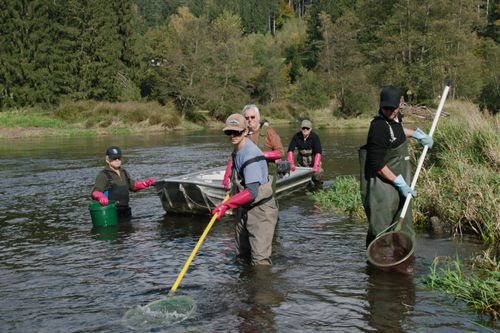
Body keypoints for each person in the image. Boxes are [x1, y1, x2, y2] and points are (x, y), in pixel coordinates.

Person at [359, 85, 434, 249]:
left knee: (403, 227)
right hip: (382, 186)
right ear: (381, 105)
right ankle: (377, 269)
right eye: (385, 108)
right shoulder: (378, 127)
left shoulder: (396, 117)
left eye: (392, 108)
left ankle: (404, 263)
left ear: (400, 104)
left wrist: (416, 134)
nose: (389, 111)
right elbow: (377, 165)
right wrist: (399, 183)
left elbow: (397, 131)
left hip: (399, 184)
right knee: (381, 230)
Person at [213, 114, 279, 266]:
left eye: (236, 132)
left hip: (260, 210)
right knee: (242, 255)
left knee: (259, 260)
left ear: (245, 132)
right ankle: (244, 288)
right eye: (229, 132)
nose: (232, 136)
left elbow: (251, 192)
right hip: (244, 208)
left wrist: (226, 205)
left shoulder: (250, 155)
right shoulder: (237, 150)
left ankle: (263, 289)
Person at [222, 104, 284, 192]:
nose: (250, 120)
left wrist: (261, 155)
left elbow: (280, 152)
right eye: (247, 118)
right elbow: (234, 156)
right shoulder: (241, 134)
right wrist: (226, 176)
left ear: (258, 117)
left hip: (266, 176)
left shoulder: (269, 132)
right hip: (246, 176)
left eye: (252, 117)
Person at [91, 146, 156, 219]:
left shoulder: (124, 172)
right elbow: (95, 192)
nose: (117, 160)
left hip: (126, 211)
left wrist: (145, 184)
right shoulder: (103, 175)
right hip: (112, 213)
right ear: (107, 160)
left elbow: (133, 186)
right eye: (114, 158)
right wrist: (101, 197)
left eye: (119, 157)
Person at [286, 119, 323, 188]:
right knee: (303, 180)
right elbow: (290, 150)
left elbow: (318, 152)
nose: (305, 130)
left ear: (310, 129)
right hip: (301, 162)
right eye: (303, 128)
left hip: (313, 161)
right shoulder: (296, 136)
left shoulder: (315, 137)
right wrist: (291, 163)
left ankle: (318, 187)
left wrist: (316, 165)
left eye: (307, 128)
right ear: (301, 128)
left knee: (318, 175)